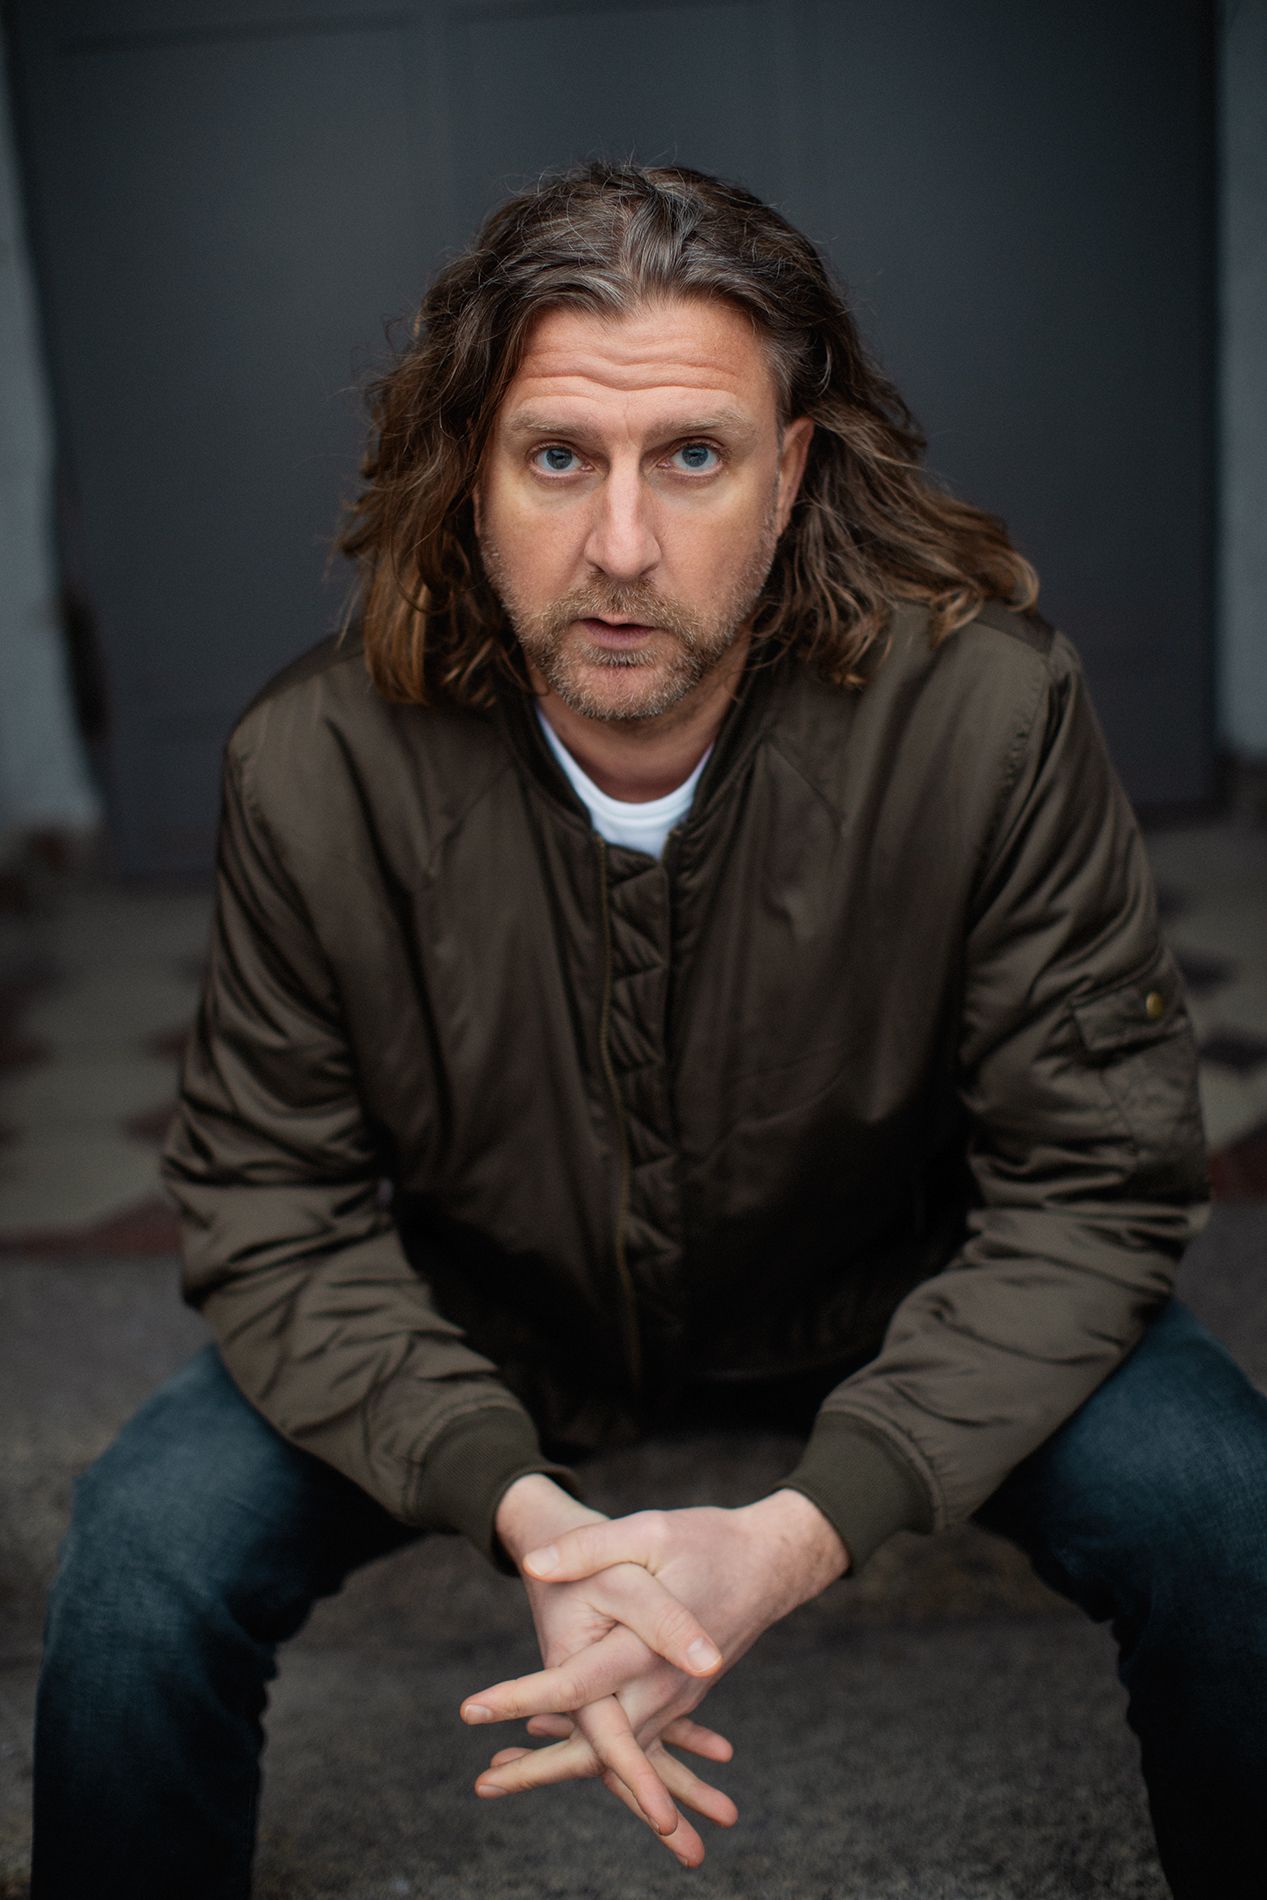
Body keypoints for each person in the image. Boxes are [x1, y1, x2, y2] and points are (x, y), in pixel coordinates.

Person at [31, 160, 1267, 1900]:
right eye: (559, 459)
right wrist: (522, 1508)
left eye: (692, 455)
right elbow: (273, 1207)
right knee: (142, 1549)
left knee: (1226, 1506)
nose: (621, 547)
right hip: (495, 1323)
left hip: (892, 1295)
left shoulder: (988, 718)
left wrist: (804, 1532)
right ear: (472, 476)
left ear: (792, 473)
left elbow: (1096, 1183)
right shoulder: (314, 769)